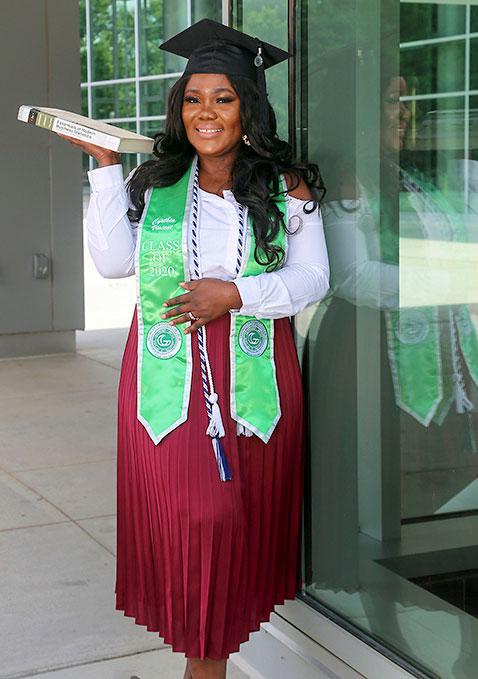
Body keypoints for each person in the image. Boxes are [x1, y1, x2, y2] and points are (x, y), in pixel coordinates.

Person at [61, 19, 329, 679]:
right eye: (193, 98)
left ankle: (207, 660)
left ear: (249, 106)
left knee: (240, 523)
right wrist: (104, 170)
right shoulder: (157, 181)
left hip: (258, 373)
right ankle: (203, 665)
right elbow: (114, 263)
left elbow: (315, 278)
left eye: (223, 98)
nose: (205, 112)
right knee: (197, 520)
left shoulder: (284, 185)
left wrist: (233, 295)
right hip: (164, 376)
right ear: (178, 109)